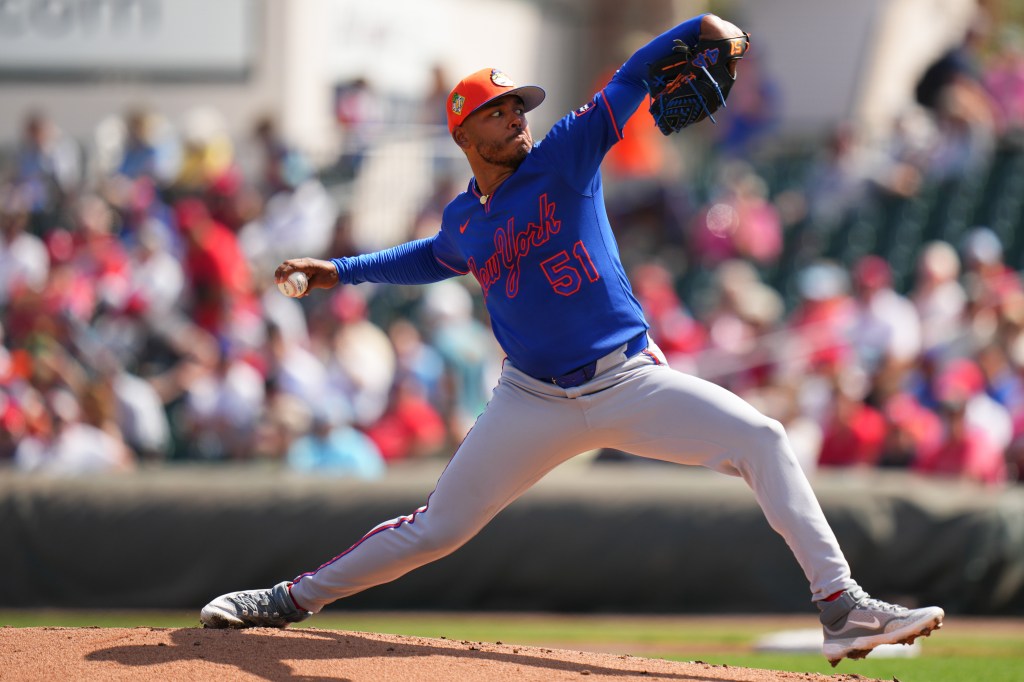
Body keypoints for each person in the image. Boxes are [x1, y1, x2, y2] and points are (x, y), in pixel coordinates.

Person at [200, 13, 944, 666]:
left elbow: (630, 76)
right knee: (437, 530)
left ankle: (841, 608)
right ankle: (288, 600)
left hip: (628, 381)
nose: (516, 117)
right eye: (498, 111)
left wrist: (697, 29)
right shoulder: (466, 219)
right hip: (530, 399)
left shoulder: (566, 155)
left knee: (764, 437)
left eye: (518, 106)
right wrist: (340, 271)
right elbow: (434, 255)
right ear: (463, 132)